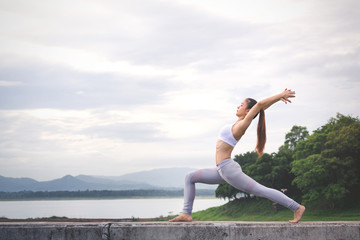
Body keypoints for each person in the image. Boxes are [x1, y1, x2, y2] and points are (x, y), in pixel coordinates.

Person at [169, 89, 305, 223]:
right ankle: (186, 214)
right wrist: (276, 99)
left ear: (247, 111)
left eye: (241, 105)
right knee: (190, 177)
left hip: (228, 170)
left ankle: (296, 207)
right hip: (221, 170)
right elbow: (261, 107)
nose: (238, 106)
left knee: (262, 190)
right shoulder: (237, 123)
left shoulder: (242, 125)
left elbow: (259, 105)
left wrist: (280, 95)